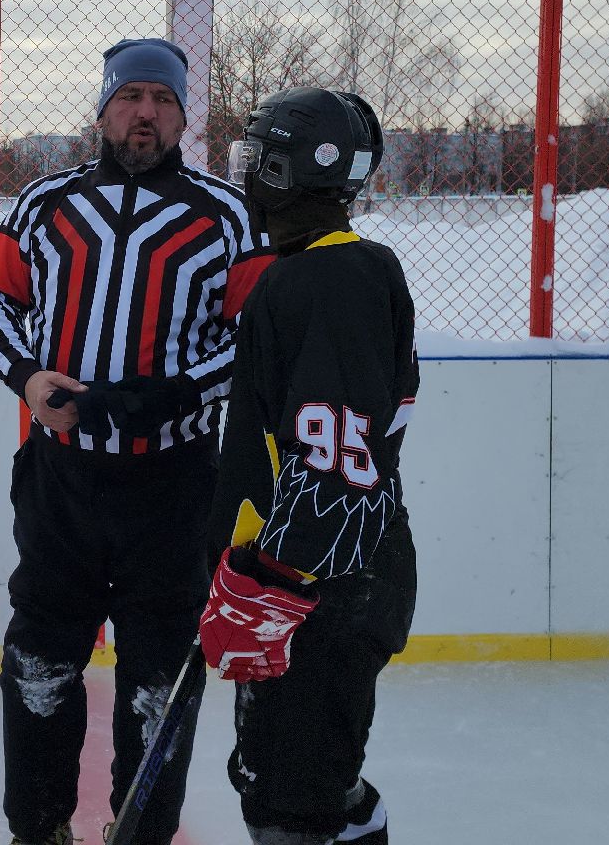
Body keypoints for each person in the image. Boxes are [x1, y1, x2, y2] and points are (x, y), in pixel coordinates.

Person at [0, 37, 272, 845]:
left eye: (164, 101)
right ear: (103, 108)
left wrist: (179, 392)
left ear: (182, 119)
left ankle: (140, 834)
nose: (147, 113)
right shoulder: (43, 204)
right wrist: (29, 380)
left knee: (159, 678)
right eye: (132, 96)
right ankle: (38, 828)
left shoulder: (226, 216)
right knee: (40, 662)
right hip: (61, 481)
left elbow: (254, 333)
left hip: (174, 487)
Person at [197, 88, 419, 845]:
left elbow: (333, 462)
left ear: (293, 172)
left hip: (319, 594)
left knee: (289, 803)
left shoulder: (320, 283)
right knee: (310, 783)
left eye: (258, 160)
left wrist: (271, 584)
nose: (248, 177)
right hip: (337, 584)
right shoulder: (348, 271)